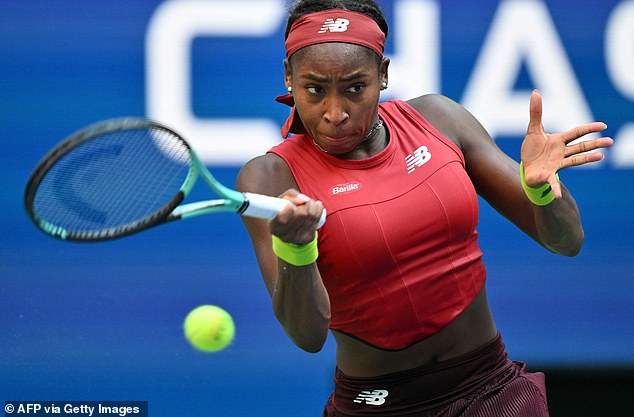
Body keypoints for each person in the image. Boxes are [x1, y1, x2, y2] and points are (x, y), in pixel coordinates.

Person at [236, 1, 614, 415]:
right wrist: (297, 249)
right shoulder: (270, 179)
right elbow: (307, 335)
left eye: (355, 87)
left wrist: (543, 192)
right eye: (313, 89)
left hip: (491, 391)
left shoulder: (438, 119)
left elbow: (567, 240)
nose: (335, 112)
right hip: (376, 405)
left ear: (383, 74)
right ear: (288, 78)